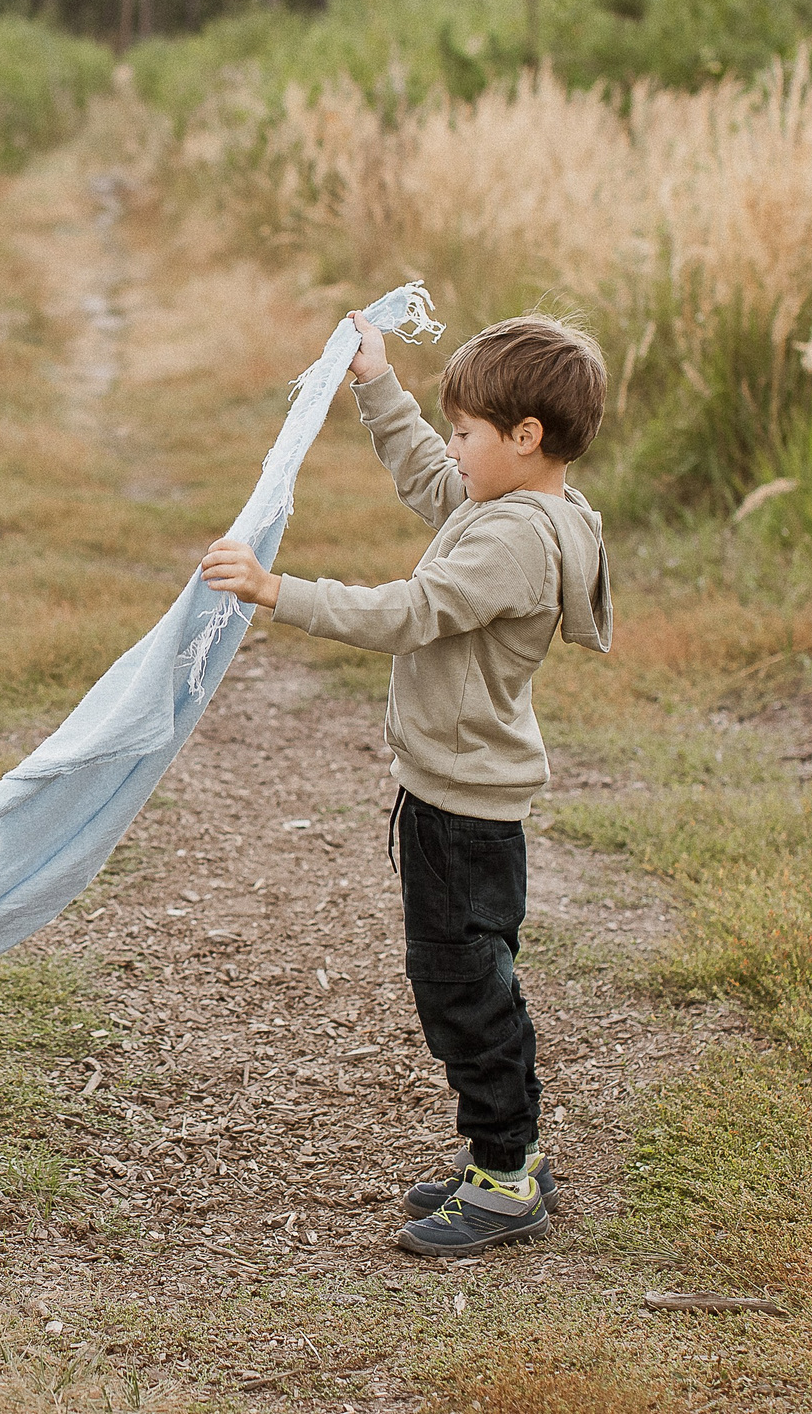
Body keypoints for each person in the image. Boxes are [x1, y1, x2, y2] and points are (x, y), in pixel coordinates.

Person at [201, 311, 612, 1256]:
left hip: (463, 813)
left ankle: (507, 1179)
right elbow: (433, 476)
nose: (454, 446)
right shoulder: (508, 504)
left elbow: (410, 612)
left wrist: (277, 591)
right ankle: (508, 1154)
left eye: (466, 429)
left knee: (464, 990)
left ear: (526, 438)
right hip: (460, 799)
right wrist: (375, 385)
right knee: (474, 980)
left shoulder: (514, 540)